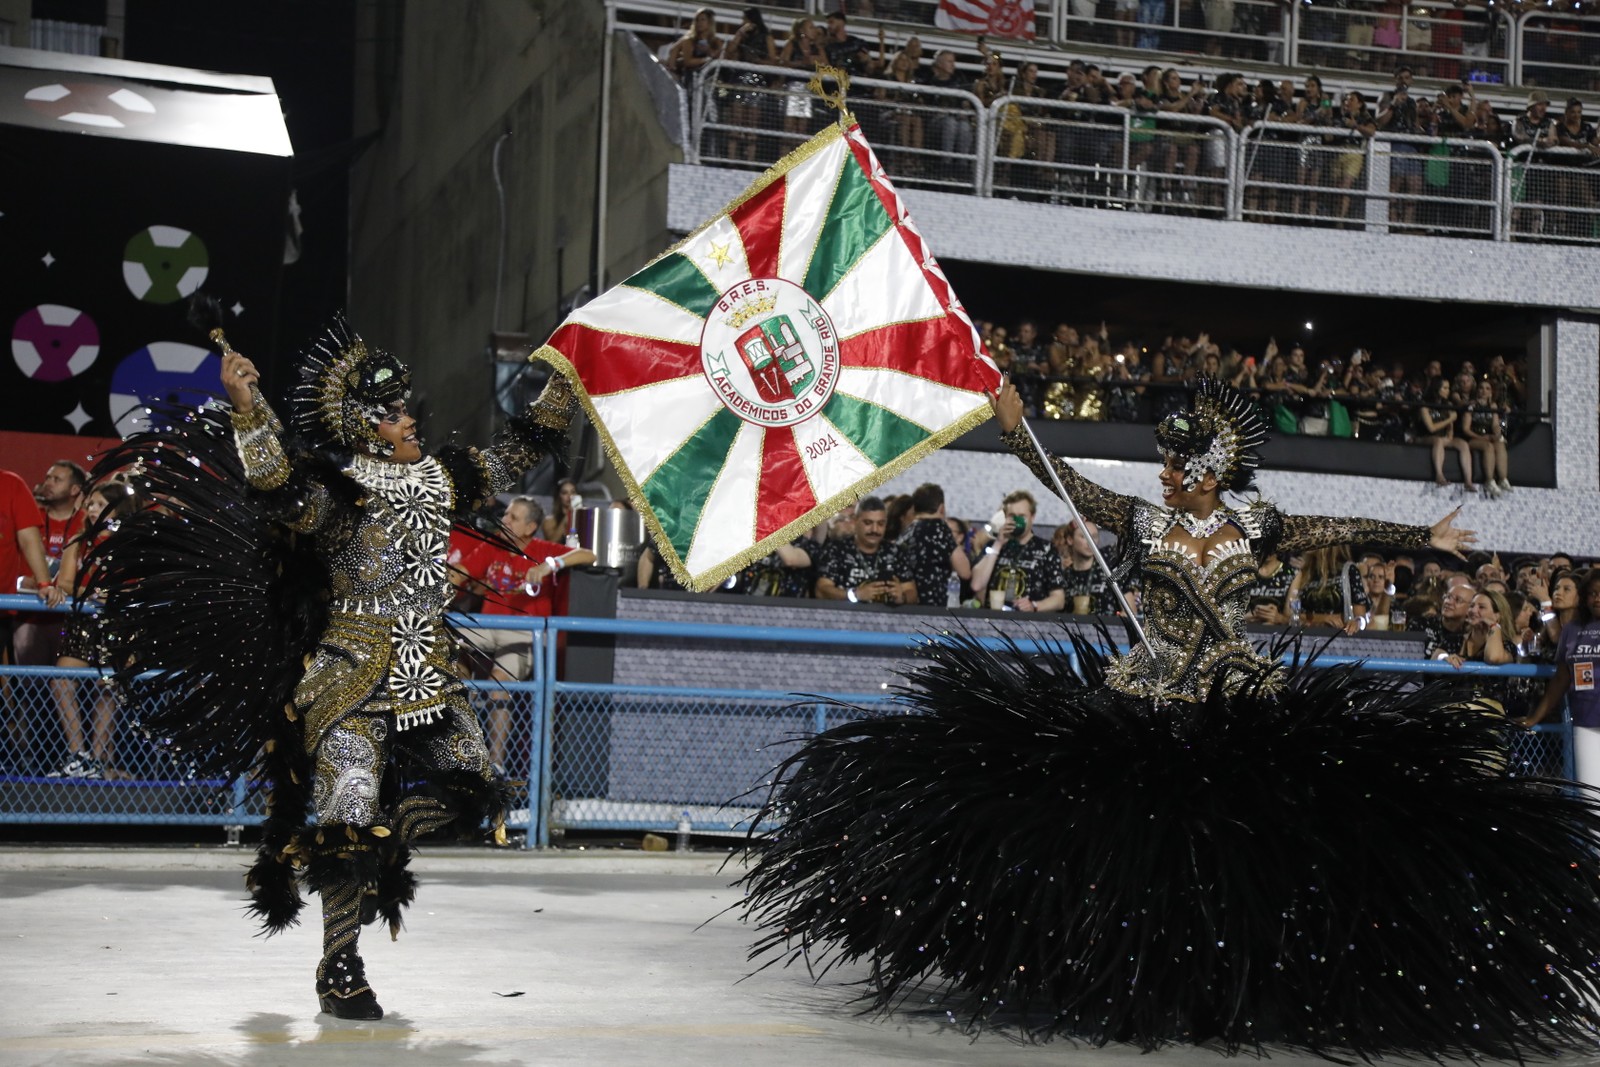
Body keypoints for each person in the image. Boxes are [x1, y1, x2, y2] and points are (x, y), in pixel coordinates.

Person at [738, 378, 1600, 1058]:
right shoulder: (1141, 519)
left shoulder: (1257, 522)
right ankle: (1124, 969)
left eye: (1177, 460)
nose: (1164, 471)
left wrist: (1422, 535)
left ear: (1212, 466)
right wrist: (1014, 427)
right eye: (1164, 459)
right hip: (1149, 691)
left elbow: (1330, 523)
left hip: (1234, 696)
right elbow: (1064, 479)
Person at [88, 319, 576, 1020]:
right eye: (400, 412)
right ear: (371, 425)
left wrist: (565, 382)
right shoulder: (337, 491)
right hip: (347, 678)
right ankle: (339, 962)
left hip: (428, 676)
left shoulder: (437, 479)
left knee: (474, 790)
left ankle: (384, 846)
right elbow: (277, 485)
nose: (413, 419)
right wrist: (250, 409)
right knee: (348, 813)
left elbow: (511, 455)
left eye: (409, 408)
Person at [450, 496, 595, 771]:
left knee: (499, 685)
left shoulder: (541, 549)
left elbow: (588, 554)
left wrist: (550, 565)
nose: (504, 521)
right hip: (487, 628)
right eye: (505, 515)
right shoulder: (492, 545)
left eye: (512, 518)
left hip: (523, 634)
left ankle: (496, 764)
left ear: (530, 527)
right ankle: (461, 738)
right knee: (443, 641)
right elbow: (460, 572)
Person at [47, 478, 143, 779]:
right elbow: (63, 582)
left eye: (100, 505)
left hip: (117, 623)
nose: (92, 510)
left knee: (108, 689)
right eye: (91, 504)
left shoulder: (132, 543)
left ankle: (100, 761)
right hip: (83, 622)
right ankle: (79, 756)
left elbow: (140, 585)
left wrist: (113, 594)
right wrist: (91, 592)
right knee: (62, 682)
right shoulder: (79, 540)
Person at [1523, 570, 1600, 791]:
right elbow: (1561, 678)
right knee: (1591, 794)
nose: (1597, 598)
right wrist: (1534, 718)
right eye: (1592, 593)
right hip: (1586, 721)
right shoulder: (1572, 630)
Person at [970, 489, 1065, 613]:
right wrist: (998, 544)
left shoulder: (1046, 549)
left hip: (1029, 624)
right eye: (1012, 516)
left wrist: (1035, 606)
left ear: (1032, 517)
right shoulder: (993, 546)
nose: (1016, 520)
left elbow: (1059, 599)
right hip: (994, 622)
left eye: (1022, 516)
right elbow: (976, 585)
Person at [814, 496, 914, 605]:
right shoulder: (836, 550)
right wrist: (854, 595)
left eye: (880, 524)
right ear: (855, 521)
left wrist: (902, 597)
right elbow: (821, 590)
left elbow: (912, 592)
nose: (874, 530)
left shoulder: (896, 552)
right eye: (868, 523)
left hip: (886, 620)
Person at [898, 482, 971, 609]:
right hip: (934, 608)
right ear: (941, 508)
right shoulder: (940, 529)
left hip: (907, 604)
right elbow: (964, 572)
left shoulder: (906, 532)